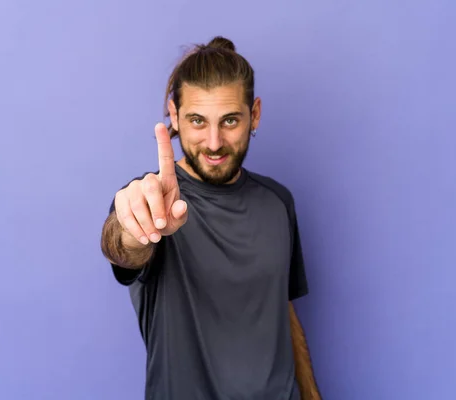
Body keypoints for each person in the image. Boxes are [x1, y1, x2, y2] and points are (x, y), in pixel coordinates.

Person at [100, 36, 320, 400]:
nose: (214, 142)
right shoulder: (152, 203)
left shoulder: (279, 201)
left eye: (230, 120)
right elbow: (123, 250)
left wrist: (312, 394)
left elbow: (281, 308)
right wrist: (133, 230)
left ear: (256, 114)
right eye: (197, 121)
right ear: (174, 115)